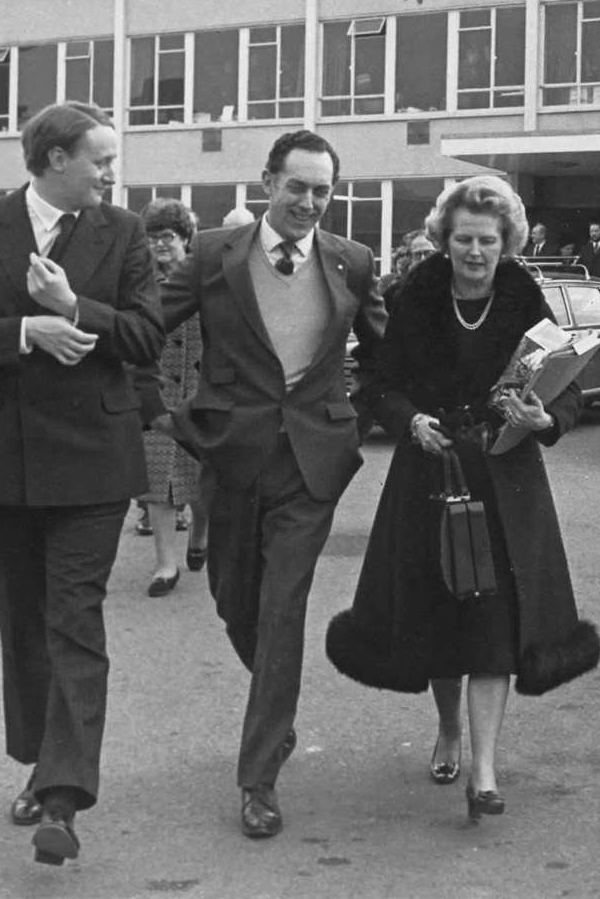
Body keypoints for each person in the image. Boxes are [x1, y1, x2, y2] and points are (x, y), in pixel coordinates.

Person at [0, 101, 165, 866]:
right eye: (100, 158)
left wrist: (72, 308)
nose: (111, 173)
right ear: (55, 158)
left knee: (74, 622)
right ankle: (38, 760)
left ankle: (62, 798)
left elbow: (147, 334)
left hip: (92, 464)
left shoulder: (123, 233)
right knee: (23, 622)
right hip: (6, 464)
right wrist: (24, 332)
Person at [325, 175, 600, 824]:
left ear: (504, 241)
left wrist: (545, 419)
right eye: (464, 239)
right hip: (429, 470)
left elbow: (563, 380)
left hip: (505, 476)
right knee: (440, 615)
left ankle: (483, 772)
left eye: (487, 239)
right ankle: (447, 728)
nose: (475, 251)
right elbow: (376, 381)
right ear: (444, 240)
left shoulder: (522, 294)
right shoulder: (413, 296)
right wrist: (407, 420)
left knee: (494, 624)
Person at [156, 129, 386, 840]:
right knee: (235, 602)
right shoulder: (209, 257)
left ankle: (257, 777)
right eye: (298, 187)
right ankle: (275, 705)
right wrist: (160, 416)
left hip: (310, 465)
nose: (310, 203)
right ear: (266, 183)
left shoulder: (351, 260)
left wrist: (356, 418)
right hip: (228, 457)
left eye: (322, 191)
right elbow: (142, 332)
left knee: (284, 606)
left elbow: (391, 351)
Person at [133, 199, 207, 595]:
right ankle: (166, 564)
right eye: (153, 238)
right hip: (156, 394)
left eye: (168, 237)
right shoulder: (138, 286)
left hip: (201, 394)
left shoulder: (206, 279)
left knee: (204, 480)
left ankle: (200, 535)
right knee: (157, 481)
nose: (161, 246)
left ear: (185, 239)